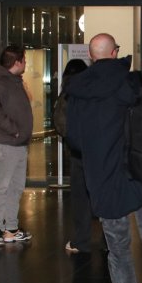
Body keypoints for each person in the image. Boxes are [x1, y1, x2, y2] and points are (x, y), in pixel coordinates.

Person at [65, 34, 142, 283]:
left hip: (103, 176)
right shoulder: (132, 82)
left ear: (92, 56)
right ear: (115, 53)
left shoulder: (78, 90)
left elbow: (74, 138)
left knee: (117, 244)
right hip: (139, 170)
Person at [0, 44, 33, 245]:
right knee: (1, 186)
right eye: (24, 59)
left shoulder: (14, 82)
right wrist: (13, 130)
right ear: (17, 62)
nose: (26, 63)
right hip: (4, 144)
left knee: (15, 186)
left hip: (17, 144)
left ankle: (11, 228)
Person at [55, 58, 94, 254]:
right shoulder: (94, 90)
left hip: (78, 153)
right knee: (100, 195)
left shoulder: (67, 94)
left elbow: (60, 124)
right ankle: (108, 241)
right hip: (97, 152)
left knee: (80, 199)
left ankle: (82, 240)